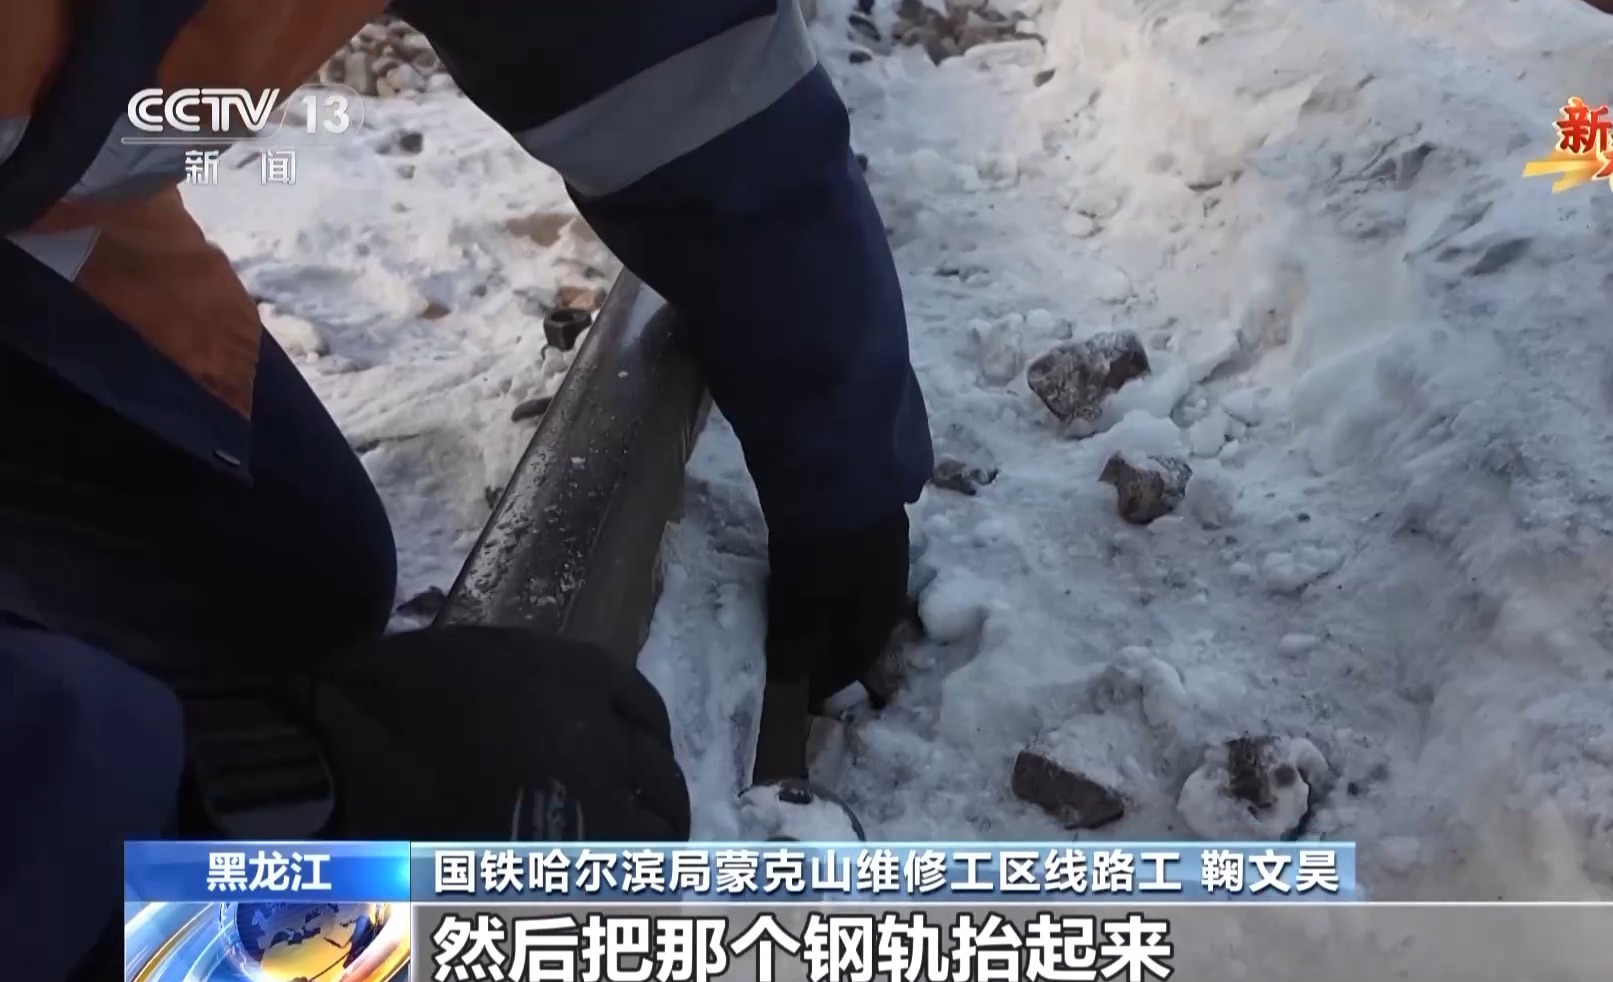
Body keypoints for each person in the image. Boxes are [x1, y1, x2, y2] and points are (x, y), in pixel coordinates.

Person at [0, 0, 930, 977]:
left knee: (288, 576)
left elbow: (681, 74)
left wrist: (839, 453)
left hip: (41, 235)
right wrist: (216, 810)